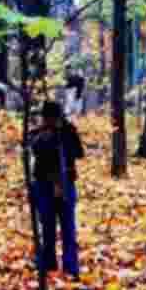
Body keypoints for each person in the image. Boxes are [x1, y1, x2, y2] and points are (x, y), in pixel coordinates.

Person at [29, 100, 85, 278]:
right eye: (47, 118)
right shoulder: (38, 134)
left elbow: (78, 152)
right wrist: (48, 136)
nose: (49, 121)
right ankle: (48, 263)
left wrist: (64, 133)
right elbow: (36, 149)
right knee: (47, 225)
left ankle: (70, 267)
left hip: (65, 183)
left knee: (68, 227)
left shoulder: (68, 131)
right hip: (44, 184)